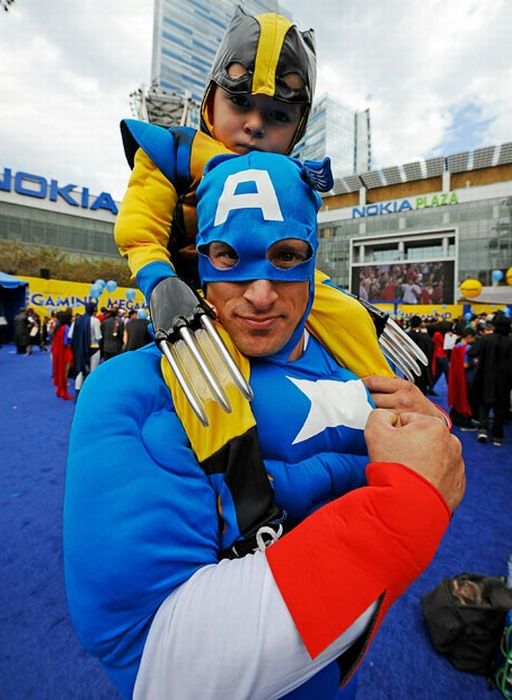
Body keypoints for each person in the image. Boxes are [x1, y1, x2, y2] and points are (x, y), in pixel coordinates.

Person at [64, 152, 464, 700]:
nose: (259, 294)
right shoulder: (135, 389)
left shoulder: (352, 359)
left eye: (287, 256)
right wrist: (405, 510)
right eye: (229, 256)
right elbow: (156, 661)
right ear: (200, 259)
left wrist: (427, 437)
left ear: (312, 259)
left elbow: (415, 461)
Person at [114, 6, 396, 393]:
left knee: (349, 315)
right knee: (209, 379)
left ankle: (391, 399)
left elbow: (288, 255)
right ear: (211, 100)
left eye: (278, 115)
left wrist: (339, 300)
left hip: (262, 294)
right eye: (240, 102)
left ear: (298, 126)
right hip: (193, 297)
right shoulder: (172, 153)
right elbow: (139, 229)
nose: (255, 125)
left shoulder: (289, 177)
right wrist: (160, 282)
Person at [470, 314, 512, 446]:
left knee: (483, 404)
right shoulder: (510, 341)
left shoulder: (485, 339)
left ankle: (483, 429)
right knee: (500, 407)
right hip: (504, 380)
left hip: (485, 377)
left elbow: (472, 352)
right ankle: (497, 435)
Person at [69, 302, 102, 399]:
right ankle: (90, 394)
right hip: (94, 349)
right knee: (93, 373)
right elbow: (98, 337)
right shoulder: (95, 321)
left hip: (80, 349)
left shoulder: (77, 320)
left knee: (80, 371)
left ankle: (78, 395)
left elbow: (70, 335)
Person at [447, 326, 477, 430]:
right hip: (465, 377)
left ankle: (455, 417)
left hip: (457, 376)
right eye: (473, 337)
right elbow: (465, 365)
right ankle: (463, 420)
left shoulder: (457, 346)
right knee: (465, 399)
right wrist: (475, 362)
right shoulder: (467, 348)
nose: (474, 339)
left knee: (459, 397)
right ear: (468, 336)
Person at [51, 309, 74, 400]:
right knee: (64, 373)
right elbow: (66, 342)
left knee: (60, 371)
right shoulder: (66, 328)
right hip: (66, 352)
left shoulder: (58, 327)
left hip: (59, 352)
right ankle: (63, 392)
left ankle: (60, 390)